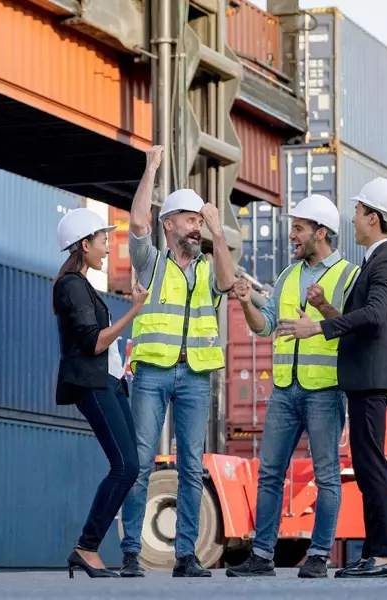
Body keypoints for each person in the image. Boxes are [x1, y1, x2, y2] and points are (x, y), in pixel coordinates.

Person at [278, 177, 387, 579]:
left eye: (357, 211)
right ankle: (375, 553)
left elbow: (373, 316)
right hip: (365, 375)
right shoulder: (377, 260)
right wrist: (324, 308)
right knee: (367, 463)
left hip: (372, 375)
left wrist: (316, 328)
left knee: (372, 465)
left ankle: (386, 555)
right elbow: (363, 321)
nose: (352, 219)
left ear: (373, 217)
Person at [224, 194, 359, 579]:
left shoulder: (349, 276)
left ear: (321, 232)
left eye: (298, 228)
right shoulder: (286, 276)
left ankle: (318, 555)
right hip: (285, 390)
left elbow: (356, 328)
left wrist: (322, 312)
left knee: (327, 475)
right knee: (269, 472)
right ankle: (261, 555)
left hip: (325, 390)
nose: (291, 235)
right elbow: (264, 326)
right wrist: (246, 303)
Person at [118, 146, 236, 578]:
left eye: (199, 221)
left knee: (191, 466)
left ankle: (186, 555)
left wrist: (219, 234)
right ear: (168, 224)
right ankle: (131, 552)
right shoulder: (151, 262)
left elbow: (228, 282)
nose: (196, 227)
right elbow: (137, 223)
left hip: (196, 376)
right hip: (152, 372)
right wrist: (150, 168)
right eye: (190, 220)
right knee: (140, 464)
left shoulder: (208, 266)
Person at [52, 207, 149, 579]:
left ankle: (87, 548)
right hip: (93, 385)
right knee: (125, 466)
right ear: (84, 244)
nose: (108, 247)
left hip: (110, 383)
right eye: (103, 240)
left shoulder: (83, 284)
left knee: (130, 465)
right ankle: (86, 548)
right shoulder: (71, 285)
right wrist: (134, 311)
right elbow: (93, 342)